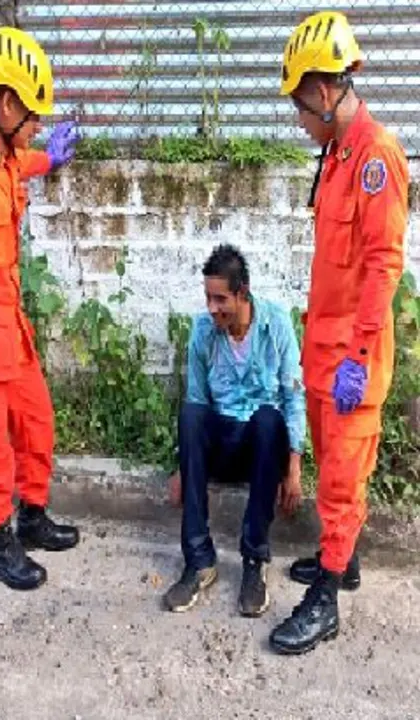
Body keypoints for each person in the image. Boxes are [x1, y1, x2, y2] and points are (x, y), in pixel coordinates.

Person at [268, 11, 408, 655]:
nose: (298, 118)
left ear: (325, 91)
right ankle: (341, 560)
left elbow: (383, 264)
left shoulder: (375, 155)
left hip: (353, 352)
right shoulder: (337, 153)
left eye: (300, 103)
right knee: (331, 466)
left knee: (344, 476)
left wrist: (357, 353)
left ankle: (325, 601)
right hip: (326, 346)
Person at [0, 26, 81, 591]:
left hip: (10, 318)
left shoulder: (4, 151)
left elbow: (19, 166)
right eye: (34, 116)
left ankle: (32, 518)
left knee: (37, 420)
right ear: (7, 102)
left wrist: (49, 158)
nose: (38, 126)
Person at [162, 244, 306, 618]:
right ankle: (198, 561)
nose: (212, 308)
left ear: (243, 294)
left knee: (268, 418)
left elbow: (293, 397)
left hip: (261, 451)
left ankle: (255, 560)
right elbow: (196, 395)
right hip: (222, 446)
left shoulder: (276, 324)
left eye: (220, 299)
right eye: (208, 298)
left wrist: (293, 468)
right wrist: (184, 467)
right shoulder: (203, 331)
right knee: (192, 413)